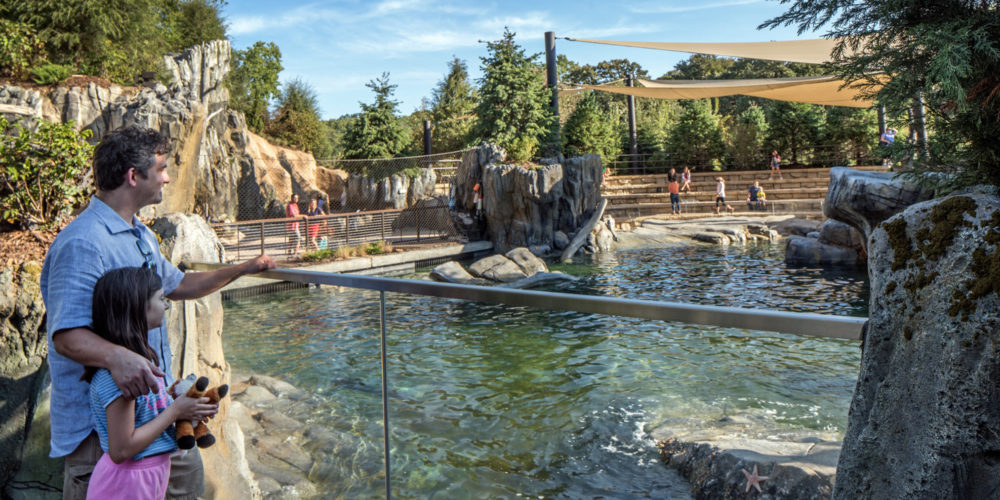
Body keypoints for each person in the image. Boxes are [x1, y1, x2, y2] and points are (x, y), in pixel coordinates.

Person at [40, 125, 274, 500]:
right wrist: (120, 358)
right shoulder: (83, 243)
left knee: (188, 482)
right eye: (161, 167)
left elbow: (179, 285)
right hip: (100, 432)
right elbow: (66, 336)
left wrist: (242, 269)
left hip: (155, 412)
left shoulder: (141, 235)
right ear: (134, 176)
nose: (167, 177)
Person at [85, 267, 215, 500]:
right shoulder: (122, 377)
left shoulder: (140, 362)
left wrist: (189, 408)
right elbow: (121, 449)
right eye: (161, 299)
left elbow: (146, 414)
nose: (166, 306)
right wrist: (176, 411)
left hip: (147, 475)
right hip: (127, 482)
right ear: (137, 307)